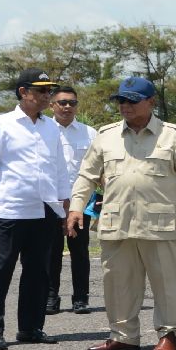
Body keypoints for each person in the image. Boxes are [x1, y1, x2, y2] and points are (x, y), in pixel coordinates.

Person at [67, 76, 176, 350]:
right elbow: (87, 175)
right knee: (118, 283)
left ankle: (168, 335)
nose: (125, 106)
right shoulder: (106, 135)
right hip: (116, 222)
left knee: (168, 284)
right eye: (121, 100)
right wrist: (75, 208)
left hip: (161, 224)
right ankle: (123, 337)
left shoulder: (172, 135)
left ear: (151, 102)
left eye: (132, 101)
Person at [0, 68, 71, 350]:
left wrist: (65, 205)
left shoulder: (51, 127)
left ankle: (30, 328)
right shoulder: (2, 124)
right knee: (1, 270)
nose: (46, 96)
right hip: (10, 209)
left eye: (48, 91)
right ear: (23, 92)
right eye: (40, 90)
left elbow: (59, 168)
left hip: (45, 210)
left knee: (38, 272)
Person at [47, 86, 97, 315]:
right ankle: (50, 297)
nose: (67, 107)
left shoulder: (90, 134)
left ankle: (80, 298)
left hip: (82, 202)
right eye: (62, 102)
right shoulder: (44, 131)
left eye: (72, 103)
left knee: (80, 251)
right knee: (51, 251)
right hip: (51, 202)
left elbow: (99, 171)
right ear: (52, 105)